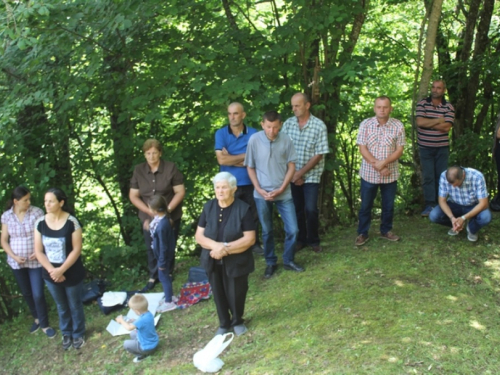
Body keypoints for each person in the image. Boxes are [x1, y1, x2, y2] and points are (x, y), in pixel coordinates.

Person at [195, 172, 255, 336]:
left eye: (224, 187)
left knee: (236, 292)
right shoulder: (208, 207)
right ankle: (223, 323)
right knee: (218, 291)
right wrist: (216, 246)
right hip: (212, 259)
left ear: (234, 189)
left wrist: (225, 248)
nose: (220, 191)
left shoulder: (243, 209)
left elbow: (249, 239)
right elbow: (199, 236)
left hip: (237, 260)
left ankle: (237, 321)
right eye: (217, 187)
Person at [245, 110, 304, 278]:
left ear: (281, 125)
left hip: (283, 193)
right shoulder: (254, 140)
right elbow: (250, 166)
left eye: (275, 127)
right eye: (269, 127)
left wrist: (282, 187)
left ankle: (288, 260)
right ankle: (270, 262)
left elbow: (292, 165)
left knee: (293, 229)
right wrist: (259, 188)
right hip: (261, 193)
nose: (272, 131)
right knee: (267, 230)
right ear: (262, 124)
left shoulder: (286, 139)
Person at [129, 139, 186, 292]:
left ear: (160, 153)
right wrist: (150, 212)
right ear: (144, 154)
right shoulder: (139, 170)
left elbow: (180, 192)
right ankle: (153, 276)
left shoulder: (170, 168)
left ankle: (167, 272)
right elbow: (133, 195)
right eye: (148, 153)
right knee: (151, 246)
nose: (152, 156)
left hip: (169, 213)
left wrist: (165, 212)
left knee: (168, 245)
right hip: (148, 215)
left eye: (154, 153)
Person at [34, 188, 86, 350]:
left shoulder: (72, 222)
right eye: (45, 201)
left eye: (51, 201)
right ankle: (67, 332)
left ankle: (79, 333)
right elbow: (38, 251)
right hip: (51, 274)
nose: (47, 204)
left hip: (71, 272)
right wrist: (53, 271)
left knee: (74, 304)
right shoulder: (40, 223)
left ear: (61, 203)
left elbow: (76, 250)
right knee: (61, 305)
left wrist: (62, 270)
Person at [1, 186, 55, 338]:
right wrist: (13, 256)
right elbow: (4, 241)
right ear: (16, 201)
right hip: (16, 262)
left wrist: (38, 251)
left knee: (38, 293)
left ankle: (45, 324)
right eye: (25, 200)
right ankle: (37, 318)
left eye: (29, 199)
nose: (28, 202)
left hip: (36, 261)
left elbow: (45, 233)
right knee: (26, 292)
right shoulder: (7, 216)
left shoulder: (37, 212)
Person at [355, 96, 406, 246]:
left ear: (391, 108)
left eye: (385, 107)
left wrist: (384, 163)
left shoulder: (398, 126)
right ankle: (362, 233)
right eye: (379, 107)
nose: (382, 110)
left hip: (390, 175)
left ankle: (386, 230)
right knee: (365, 205)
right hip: (369, 174)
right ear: (374, 108)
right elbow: (362, 148)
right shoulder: (366, 124)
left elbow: (400, 150)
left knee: (388, 205)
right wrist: (378, 165)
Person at [282, 93, 329, 253]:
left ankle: (314, 240)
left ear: (307, 105)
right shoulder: (288, 124)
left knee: (310, 209)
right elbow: (282, 150)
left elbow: (319, 153)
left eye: (297, 105)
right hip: (292, 175)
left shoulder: (318, 125)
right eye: (293, 106)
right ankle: (300, 240)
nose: (294, 109)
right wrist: (293, 174)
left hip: (311, 175)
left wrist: (300, 173)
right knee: (297, 209)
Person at [215, 102, 263, 255]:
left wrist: (230, 156)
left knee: (252, 214)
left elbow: (257, 158)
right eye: (229, 114)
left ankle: (254, 244)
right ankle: (233, 245)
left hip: (250, 180)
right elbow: (221, 160)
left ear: (243, 115)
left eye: (235, 113)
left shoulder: (254, 133)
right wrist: (245, 156)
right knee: (230, 215)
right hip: (228, 184)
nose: (232, 117)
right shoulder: (221, 133)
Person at [416, 80, 455, 217]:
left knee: (442, 177)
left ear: (443, 90)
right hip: (425, 147)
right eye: (433, 87)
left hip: (442, 148)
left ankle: (441, 205)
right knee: (428, 177)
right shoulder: (422, 104)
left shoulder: (448, 106)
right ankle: (429, 205)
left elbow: (447, 127)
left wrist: (428, 123)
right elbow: (420, 122)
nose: (435, 90)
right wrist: (438, 120)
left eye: (438, 88)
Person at [429, 166, 491, 242]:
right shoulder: (443, 176)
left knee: (485, 217)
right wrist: (452, 218)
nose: (453, 187)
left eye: (456, 184)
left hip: (473, 206)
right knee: (434, 216)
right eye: (451, 184)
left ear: (463, 176)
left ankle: (471, 228)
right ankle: (456, 224)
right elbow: (442, 201)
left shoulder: (477, 176)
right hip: (454, 204)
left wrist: (463, 218)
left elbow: (484, 204)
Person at [148, 195, 177, 313]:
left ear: (155, 210)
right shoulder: (161, 221)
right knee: (165, 276)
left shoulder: (162, 226)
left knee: (163, 277)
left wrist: (161, 262)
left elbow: (163, 246)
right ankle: (171, 296)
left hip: (163, 257)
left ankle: (169, 302)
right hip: (164, 256)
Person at [116, 294, 159, 363]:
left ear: (137, 311)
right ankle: (138, 345)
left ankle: (141, 356)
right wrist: (134, 321)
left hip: (148, 348)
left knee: (126, 344)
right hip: (153, 342)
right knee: (133, 333)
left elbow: (129, 328)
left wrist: (121, 321)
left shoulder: (141, 320)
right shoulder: (148, 314)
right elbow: (143, 323)